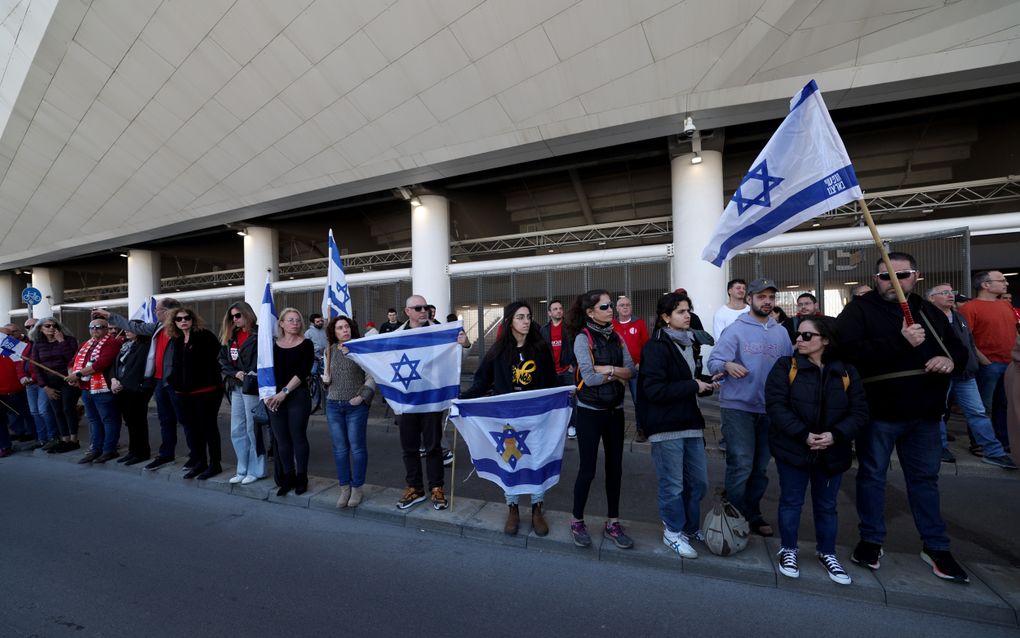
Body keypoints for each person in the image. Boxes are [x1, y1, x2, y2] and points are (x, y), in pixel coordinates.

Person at [837, 252, 970, 583]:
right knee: (872, 477)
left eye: (903, 274)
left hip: (925, 414)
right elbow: (845, 353)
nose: (894, 281)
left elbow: (959, 348)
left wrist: (949, 361)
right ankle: (871, 540)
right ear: (875, 278)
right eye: (886, 276)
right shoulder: (859, 310)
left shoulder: (928, 310)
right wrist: (899, 340)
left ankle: (936, 546)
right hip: (880, 413)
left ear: (916, 276)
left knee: (924, 481)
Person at [765, 316, 867, 584]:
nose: (798, 339)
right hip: (794, 449)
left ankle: (827, 552)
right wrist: (803, 434)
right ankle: (788, 548)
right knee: (791, 501)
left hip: (832, 452)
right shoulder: (786, 366)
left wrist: (835, 435)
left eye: (807, 335)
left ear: (826, 340)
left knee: (827, 506)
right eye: (798, 335)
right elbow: (776, 406)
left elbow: (859, 412)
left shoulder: (846, 371)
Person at [462, 300, 558, 536]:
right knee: (510, 461)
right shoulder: (498, 352)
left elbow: (551, 382)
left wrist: (562, 397)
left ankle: (537, 509)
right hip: (508, 419)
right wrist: (462, 399)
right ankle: (513, 508)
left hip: (535, 417)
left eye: (528, 316)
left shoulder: (541, 349)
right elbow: (481, 383)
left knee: (536, 460)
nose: (526, 321)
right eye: (520, 317)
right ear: (510, 321)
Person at [707, 278, 793, 537]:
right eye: (761, 296)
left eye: (771, 297)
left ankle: (751, 513)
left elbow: (790, 367)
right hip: (738, 407)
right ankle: (734, 516)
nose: (767, 301)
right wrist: (727, 366)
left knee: (760, 468)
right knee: (741, 464)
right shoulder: (735, 329)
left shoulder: (781, 332)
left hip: (770, 409)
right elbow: (714, 361)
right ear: (750, 300)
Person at [638, 292, 717, 559]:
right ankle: (673, 531)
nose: (688, 316)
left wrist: (707, 382)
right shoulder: (655, 347)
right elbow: (654, 390)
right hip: (666, 426)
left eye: (688, 311)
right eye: (681, 312)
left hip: (691, 422)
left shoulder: (689, 344)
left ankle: (690, 527)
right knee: (673, 485)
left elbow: (689, 379)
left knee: (698, 483)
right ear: (665, 318)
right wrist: (695, 384)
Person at [566, 289, 637, 549]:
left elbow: (630, 371)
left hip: (615, 411)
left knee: (615, 469)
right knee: (587, 469)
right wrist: (613, 374)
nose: (611, 310)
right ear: (590, 312)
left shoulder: (617, 336)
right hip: (589, 412)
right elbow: (590, 379)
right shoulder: (582, 339)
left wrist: (607, 369)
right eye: (606, 306)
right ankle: (576, 521)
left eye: (611, 306)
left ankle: (613, 523)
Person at [94, 299, 193, 471]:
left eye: (158, 310)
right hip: (159, 381)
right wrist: (110, 316)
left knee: (186, 420)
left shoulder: (180, 329)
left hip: (174, 382)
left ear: (168, 311)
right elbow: (133, 326)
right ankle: (166, 454)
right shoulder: (157, 328)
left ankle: (196, 456)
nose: (156, 313)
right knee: (165, 420)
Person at [926, 283, 1017, 469]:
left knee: (978, 412)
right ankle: (940, 448)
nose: (950, 295)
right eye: (944, 293)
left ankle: (993, 452)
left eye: (951, 292)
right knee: (938, 413)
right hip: (939, 375)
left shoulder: (959, 317)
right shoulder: (926, 319)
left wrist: (979, 362)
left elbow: (970, 343)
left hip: (965, 374)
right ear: (931, 299)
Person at [394, 294, 469, 511]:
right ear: (407, 311)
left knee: (433, 447)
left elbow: (457, 359)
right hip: (407, 400)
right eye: (417, 308)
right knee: (409, 448)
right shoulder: (396, 336)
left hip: (432, 400)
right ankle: (415, 488)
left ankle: (437, 488)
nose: (423, 311)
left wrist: (464, 345)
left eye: (425, 307)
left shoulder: (440, 332)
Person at [322, 315, 375, 508]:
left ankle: (357, 487)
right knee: (340, 449)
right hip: (333, 405)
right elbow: (327, 380)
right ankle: (344, 487)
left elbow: (371, 376)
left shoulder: (360, 349)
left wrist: (361, 397)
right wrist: (325, 381)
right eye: (340, 328)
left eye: (346, 327)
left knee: (357, 447)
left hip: (355, 406)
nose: (344, 330)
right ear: (333, 332)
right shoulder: (329, 350)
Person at [959, 270, 1016, 448]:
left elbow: (1013, 332)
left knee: (1005, 406)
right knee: (982, 407)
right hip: (988, 365)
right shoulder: (970, 308)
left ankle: (1004, 441)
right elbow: (966, 338)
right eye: (1002, 280)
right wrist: (984, 360)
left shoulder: (1006, 306)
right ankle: (979, 443)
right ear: (985, 285)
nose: (1006, 283)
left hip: (1010, 364)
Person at [166, 308, 223, 480]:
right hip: (184, 392)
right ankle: (200, 462)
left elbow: (218, 359)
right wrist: (174, 382)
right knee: (192, 428)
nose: (183, 321)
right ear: (174, 322)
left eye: (187, 318)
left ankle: (215, 464)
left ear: (193, 319)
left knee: (208, 428)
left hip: (206, 391)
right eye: (179, 319)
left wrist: (209, 380)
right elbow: (176, 364)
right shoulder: (177, 340)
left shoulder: (205, 335)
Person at [265, 308, 315, 496]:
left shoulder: (306, 344)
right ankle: (288, 477)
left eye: (298, 320)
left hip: (297, 396)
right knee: (282, 440)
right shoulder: (272, 346)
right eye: (290, 320)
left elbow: (303, 372)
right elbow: (265, 370)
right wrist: (270, 395)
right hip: (274, 397)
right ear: (281, 323)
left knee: (298, 437)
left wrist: (284, 392)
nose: (295, 323)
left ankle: (302, 477)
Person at [218, 302, 265, 485]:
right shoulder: (231, 336)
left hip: (252, 386)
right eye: (232, 316)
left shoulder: (259, 334)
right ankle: (242, 468)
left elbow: (263, 359)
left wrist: (249, 374)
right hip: (236, 386)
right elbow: (222, 359)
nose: (235, 319)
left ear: (247, 314)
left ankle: (256, 469)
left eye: (238, 315)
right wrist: (234, 373)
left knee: (252, 429)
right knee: (237, 429)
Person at [68, 317, 122, 464]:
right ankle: (96, 449)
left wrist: (78, 374)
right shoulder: (86, 343)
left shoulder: (112, 342)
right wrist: (71, 375)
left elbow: (101, 363)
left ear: (106, 329)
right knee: (93, 420)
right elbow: (73, 361)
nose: (94, 330)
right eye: (91, 327)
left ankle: (109, 449)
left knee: (108, 420)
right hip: (86, 388)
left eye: (99, 327)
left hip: (103, 388)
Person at [28, 317, 81, 453]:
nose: (52, 328)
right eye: (48, 326)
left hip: (67, 379)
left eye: (54, 325)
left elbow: (72, 359)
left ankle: (74, 440)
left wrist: (61, 341)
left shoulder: (69, 340)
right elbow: (36, 368)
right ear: (40, 329)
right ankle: (64, 439)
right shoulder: (38, 344)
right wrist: (45, 387)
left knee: (68, 409)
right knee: (57, 411)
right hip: (50, 382)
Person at [110, 322, 154, 466]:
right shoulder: (125, 345)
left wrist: (122, 383)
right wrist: (113, 379)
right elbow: (115, 365)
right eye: (125, 328)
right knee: (129, 421)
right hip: (122, 389)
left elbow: (139, 368)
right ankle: (132, 451)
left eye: (131, 328)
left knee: (138, 421)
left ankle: (142, 452)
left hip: (136, 390)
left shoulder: (145, 346)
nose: (126, 331)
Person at [613, 295, 649, 441]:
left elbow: (646, 346)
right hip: (618, 371)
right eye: (622, 305)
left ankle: (641, 429)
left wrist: (641, 362)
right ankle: (616, 430)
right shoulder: (611, 324)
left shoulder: (639, 323)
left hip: (636, 369)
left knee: (638, 400)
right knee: (616, 402)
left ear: (631, 307)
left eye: (628, 304)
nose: (625, 307)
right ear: (617, 308)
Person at [540, 299, 577, 437]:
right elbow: (541, 351)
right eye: (555, 309)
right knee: (553, 400)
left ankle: (572, 425)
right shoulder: (543, 330)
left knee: (571, 400)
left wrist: (573, 365)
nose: (559, 311)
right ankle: (555, 427)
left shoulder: (570, 328)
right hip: (551, 372)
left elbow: (576, 347)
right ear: (549, 313)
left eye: (560, 308)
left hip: (567, 371)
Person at [22, 318, 57, 448]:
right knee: (34, 412)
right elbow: (21, 363)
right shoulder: (27, 344)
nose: (30, 328)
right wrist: (22, 376)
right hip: (29, 384)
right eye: (28, 327)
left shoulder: (45, 343)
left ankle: (52, 437)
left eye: (33, 325)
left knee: (44, 411)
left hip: (43, 383)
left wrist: (33, 378)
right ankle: (42, 439)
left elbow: (42, 366)